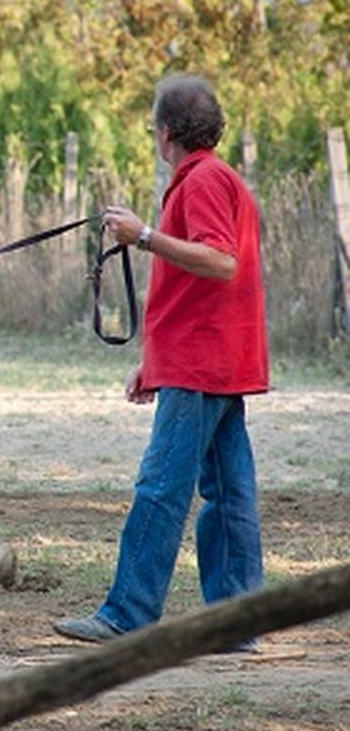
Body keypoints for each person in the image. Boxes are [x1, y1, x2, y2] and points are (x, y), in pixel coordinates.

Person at [55, 74, 269, 649]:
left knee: (160, 488)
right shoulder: (219, 178)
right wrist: (153, 363)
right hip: (215, 357)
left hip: (202, 361)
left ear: (166, 130)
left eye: (155, 126)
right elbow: (201, 280)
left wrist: (144, 235)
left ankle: (127, 614)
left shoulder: (200, 182)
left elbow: (219, 262)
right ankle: (239, 623)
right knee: (229, 493)